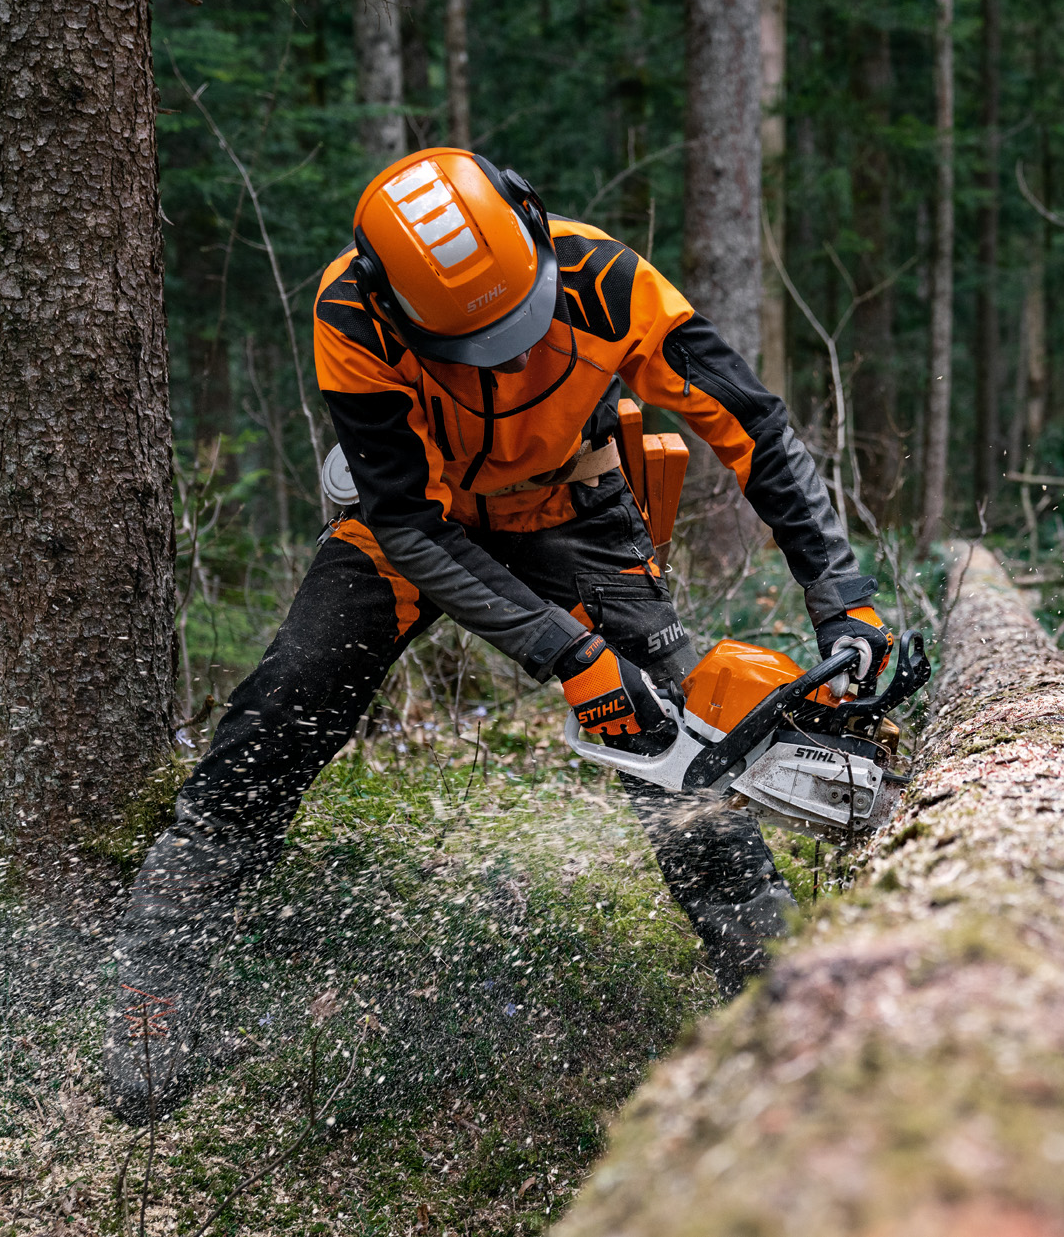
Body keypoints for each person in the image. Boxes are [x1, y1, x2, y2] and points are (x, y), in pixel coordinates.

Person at [103, 148, 893, 1123]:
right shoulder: (352, 314)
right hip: (416, 523)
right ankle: (152, 1002)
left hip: (571, 496)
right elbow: (404, 522)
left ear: (533, 223)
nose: (511, 354)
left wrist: (842, 595)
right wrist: (568, 657)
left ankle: (774, 985)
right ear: (393, 304)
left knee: (668, 724)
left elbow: (754, 428)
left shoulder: (605, 281)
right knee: (286, 702)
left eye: (519, 326)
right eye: (479, 342)